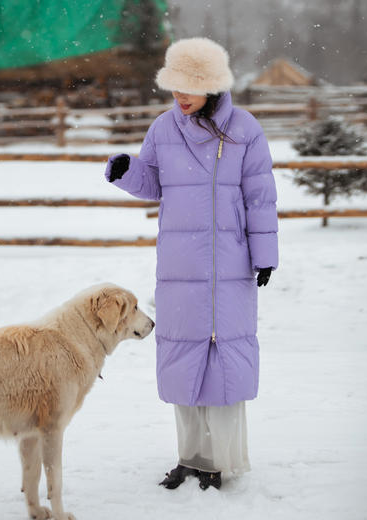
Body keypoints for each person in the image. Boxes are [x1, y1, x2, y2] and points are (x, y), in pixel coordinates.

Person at [104, 37, 279, 491]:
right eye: (174, 87)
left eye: (189, 87)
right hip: (180, 266)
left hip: (230, 265)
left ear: (214, 87)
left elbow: (260, 196)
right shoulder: (165, 128)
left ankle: (219, 461)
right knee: (182, 362)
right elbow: (153, 182)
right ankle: (190, 458)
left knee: (223, 360)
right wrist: (127, 169)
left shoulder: (244, 129)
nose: (179, 96)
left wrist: (265, 256)